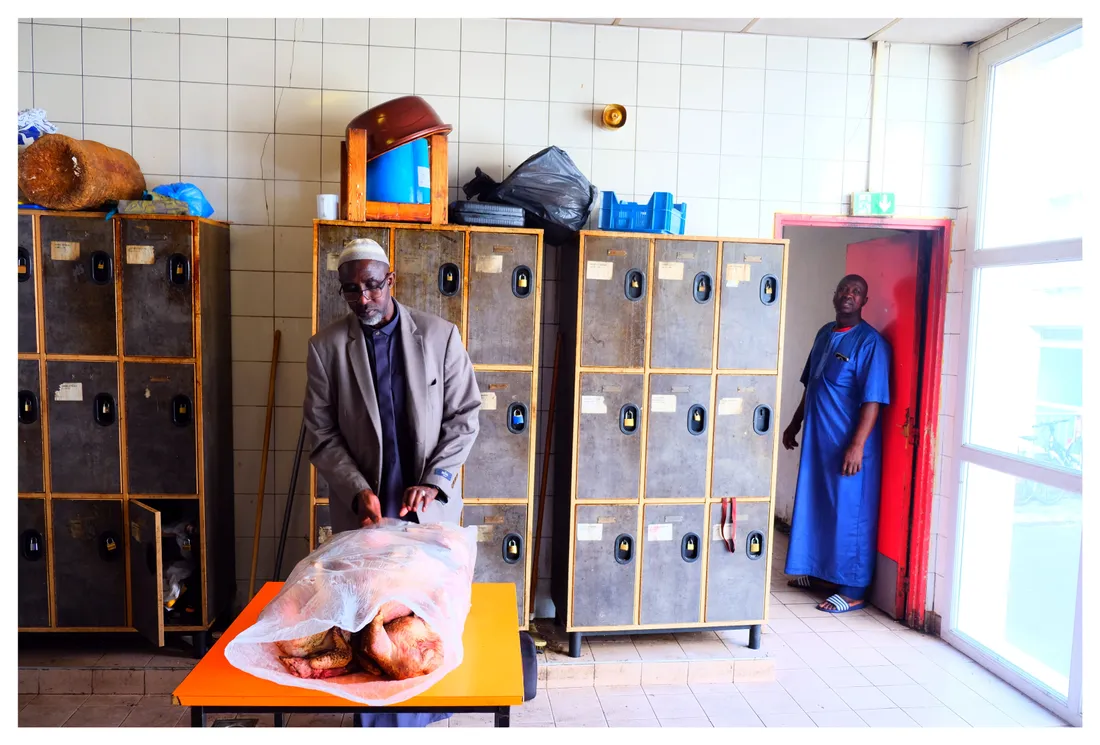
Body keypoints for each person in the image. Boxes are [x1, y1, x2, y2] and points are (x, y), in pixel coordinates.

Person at [302, 237, 481, 726]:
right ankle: (377, 726)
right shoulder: (327, 349)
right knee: (373, 632)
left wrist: (436, 478)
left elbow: (465, 416)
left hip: (428, 512)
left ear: (391, 281)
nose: (364, 299)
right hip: (368, 515)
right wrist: (357, 488)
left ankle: (427, 718)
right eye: (352, 290)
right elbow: (321, 433)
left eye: (373, 286)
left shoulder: (440, 336)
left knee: (421, 628)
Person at [781, 274, 891, 614]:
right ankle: (818, 573)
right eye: (844, 289)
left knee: (849, 513)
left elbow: (873, 400)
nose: (848, 295)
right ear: (835, 295)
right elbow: (811, 384)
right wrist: (794, 423)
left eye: (856, 292)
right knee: (818, 508)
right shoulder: (824, 333)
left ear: (864, 301)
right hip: (818, 443)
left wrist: (857, 445)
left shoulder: (870, 343)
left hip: (848, 444)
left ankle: (854, 587)